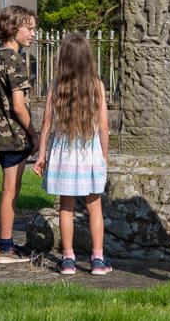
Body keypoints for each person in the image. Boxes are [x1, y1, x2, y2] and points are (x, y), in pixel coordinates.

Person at [33, 33, 112, 276]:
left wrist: (42, 154)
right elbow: (104, 126)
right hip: (89, 152)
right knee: (94, 206)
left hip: (63, 153)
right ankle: (97, 259)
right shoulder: (96, 84)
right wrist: (104, 157)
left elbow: (47, 122)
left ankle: (68, 259)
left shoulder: (57, 83)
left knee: (65, 207)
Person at [0, 5, 39, 264]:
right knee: (10, 190)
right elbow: (18, 105)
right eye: (28, 28)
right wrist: (35, 134)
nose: (33, 33)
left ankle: (6, 244)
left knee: (10, 189)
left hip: (0, 132)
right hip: (14, 135)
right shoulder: (15, 60)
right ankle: (4, 247)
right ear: (13, 27)